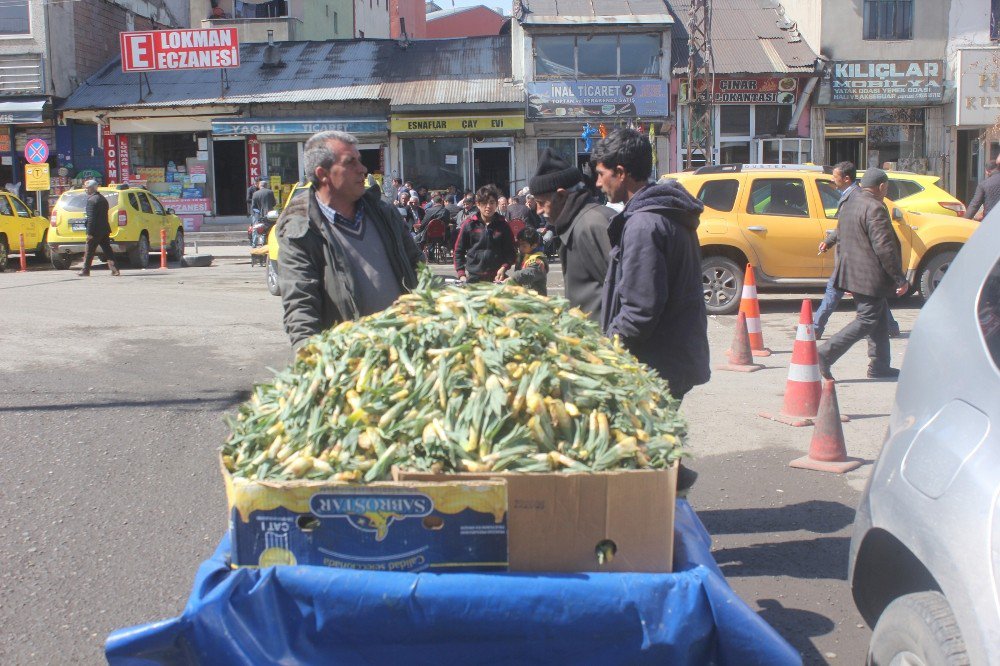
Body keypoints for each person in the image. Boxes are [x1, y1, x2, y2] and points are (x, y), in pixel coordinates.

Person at [592, 128, 710, 402]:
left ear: (620, 172)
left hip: (656, 367)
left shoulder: (644, 225)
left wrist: (605, 351)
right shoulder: (663, 214)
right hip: (671, 360)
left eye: (601, 174)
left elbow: (640, 309)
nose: (598, 183)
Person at [276, 130, 423, 348]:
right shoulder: (301, 232)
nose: (362, 169)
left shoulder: (383, 213)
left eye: (360, 161)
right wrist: (310, 358)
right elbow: (300, 304)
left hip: (403, 349)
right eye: (350, 162)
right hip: (351, 360)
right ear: (323, 174)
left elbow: (417, 267)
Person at [817, 168, 909, 380]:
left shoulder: (851, 202)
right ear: (882, 187)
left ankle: (880, 365)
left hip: (853, 271)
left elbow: (839, 231)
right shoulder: (875, 207)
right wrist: (899, 277)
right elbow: (884, 247)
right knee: (867, 320)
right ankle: (825, 353)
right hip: (869, 275)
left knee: (879, 320)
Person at [814, 162, 901, 340]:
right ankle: (889, 329)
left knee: (864, 313)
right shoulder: (854, 198)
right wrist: (830, 241)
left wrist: (898, 277)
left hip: (856, 261)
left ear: (846, 178)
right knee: (872, 302)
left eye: (835, 176)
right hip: (854, 261)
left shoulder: (862, 200)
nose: (832, 180)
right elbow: (844, 227)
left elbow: (883, 244)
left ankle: (820, 339)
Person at [529, 147, 613, 322]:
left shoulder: (592, 225)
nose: (537, 211)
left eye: (541, 203)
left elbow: (625, 293)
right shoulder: (576, 224)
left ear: (561, 196)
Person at [453, 184, 516, 284]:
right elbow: (458, 251)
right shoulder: (469, 224)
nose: (488, 206)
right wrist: (461, 274)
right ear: (477, 204)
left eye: (491, 202)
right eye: (484, 203)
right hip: (474, 278)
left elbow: (511, 252)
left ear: (496, 204)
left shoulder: (503, 225)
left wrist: (504, 267)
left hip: (497, 278)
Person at [77, 179, 120, 277]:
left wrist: (89, 233)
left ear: (92, 188)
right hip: (104, 229)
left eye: (87, 188)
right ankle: (115, 270)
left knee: (89, 250)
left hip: (95, 231)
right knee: (107, 250)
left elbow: (91, 218)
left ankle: (85, 270)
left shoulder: (92, 200)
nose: (86, 190)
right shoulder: (102, 199)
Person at [499, 226, 548, 295]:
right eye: (518, 245)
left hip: (536, 300)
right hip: (523, 297)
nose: (520, 248)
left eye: (524, 246)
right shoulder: (522, 255)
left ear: (534, 245)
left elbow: (528, 273)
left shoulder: (538, 260)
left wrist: (513, 278)